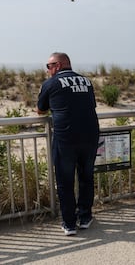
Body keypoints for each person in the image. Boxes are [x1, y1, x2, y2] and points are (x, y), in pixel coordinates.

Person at [37, 52, 100, 235]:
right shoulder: (87, 82)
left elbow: (40, 110)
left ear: (59, 65)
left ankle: (69, 223)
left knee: (65, 181)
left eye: (49, 66)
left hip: (66, 137)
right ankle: (85, 217)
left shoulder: (51, 83)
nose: (48, 70)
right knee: (86, 177)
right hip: (90, 135)